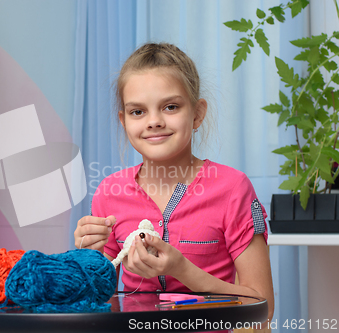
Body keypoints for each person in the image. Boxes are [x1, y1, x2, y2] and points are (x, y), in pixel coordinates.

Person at [73, 42, 274, 324]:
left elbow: (262, 306)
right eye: (138, 112)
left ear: (197, 113)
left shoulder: (232, 189)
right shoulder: (108, 193)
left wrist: (183, 270)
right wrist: (86, 258)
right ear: (124, 121)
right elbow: (97, 303)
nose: (154, 121)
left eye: (170, 107)